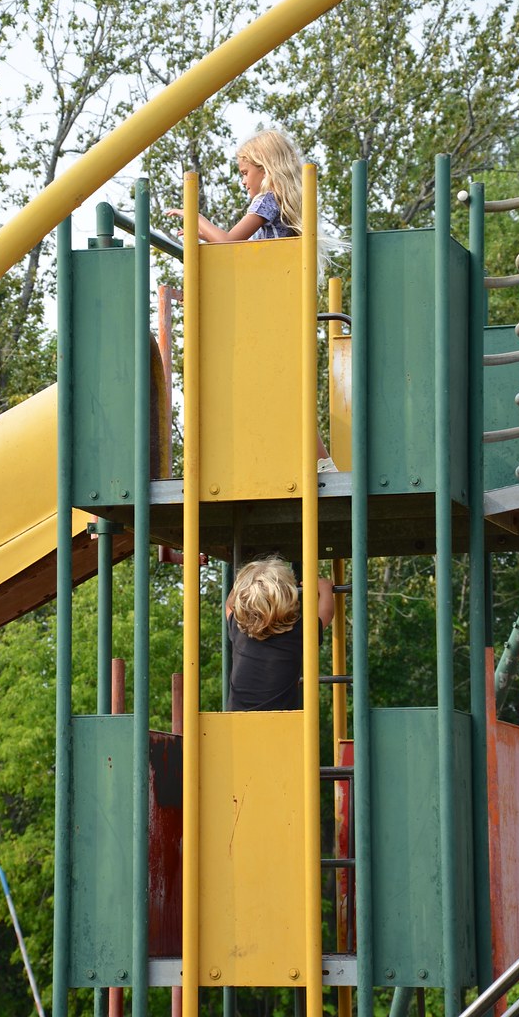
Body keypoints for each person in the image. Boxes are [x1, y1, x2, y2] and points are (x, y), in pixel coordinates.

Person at [166, 128, 338, 471]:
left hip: (269, 308)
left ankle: (313, 462)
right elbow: (246, 258)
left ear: (265, 167)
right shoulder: (285, 204)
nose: (243, 181)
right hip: (282, 304)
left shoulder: (268, 199)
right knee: (286, 390)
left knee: (269, 388)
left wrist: (197, 221)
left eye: (245, 172)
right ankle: (319, 462)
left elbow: (231, 245)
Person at [225, 555, 335, 712]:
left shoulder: (239, 629)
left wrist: (241, 585)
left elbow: (229, 605)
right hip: (282, 721)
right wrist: (324, 589)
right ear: (289, 596)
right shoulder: (299, 631)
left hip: (236, 722)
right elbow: (327, 613)